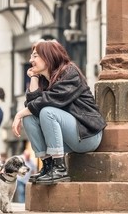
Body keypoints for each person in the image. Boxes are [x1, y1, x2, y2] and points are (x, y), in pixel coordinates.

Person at [12, 39, 106, 185]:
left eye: (35, 56)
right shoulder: (43, 79)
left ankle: (59, 169)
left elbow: (49, 100)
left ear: (47, 56)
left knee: (47, 112)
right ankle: (48, 166)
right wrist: (35, 77)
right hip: (67, 137)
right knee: (29, 118)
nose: (31, 60)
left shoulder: (70, 72)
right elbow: (32, 106)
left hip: (87, 135)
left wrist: (18, 114)